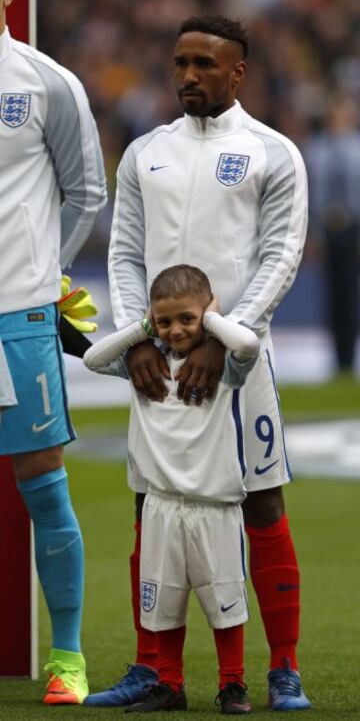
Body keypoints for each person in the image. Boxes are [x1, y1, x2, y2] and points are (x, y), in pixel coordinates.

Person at [86, 14, 311, 712]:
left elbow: (282, 254)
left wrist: (227, 333)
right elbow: (123, 253)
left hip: (239, 366)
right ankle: (158, 673)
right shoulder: (147, 152)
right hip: (160, 362)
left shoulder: (273, 152)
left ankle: (282, 668)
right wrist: (138, 341)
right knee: (151, 507)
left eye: (205, 65)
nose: (188, 75)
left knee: (261, 503)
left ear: (238, 72)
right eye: (181, 62)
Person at [84, 264, 260, 713]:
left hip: (215, 504)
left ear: (205, 314)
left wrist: (213, 318)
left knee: (224, 598)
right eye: (165, 321)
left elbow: (248, 342)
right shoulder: (144, 365)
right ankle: (169, 685)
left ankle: (233, 685)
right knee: (160, 601)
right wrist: (143, 330)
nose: (176, 329)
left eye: (187, 318)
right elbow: (92, 359)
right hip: (160, 504)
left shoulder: (223, 367)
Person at [0, 0, 107, 705]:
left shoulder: (46, 81)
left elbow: (87, 192)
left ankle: (67, 655)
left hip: (16, 313)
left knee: (42, 481)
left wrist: (46, 274)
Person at [304, 92, 360, 374]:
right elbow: (312, 195)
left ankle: (349, 357)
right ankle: (337, 358)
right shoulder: (317, 149)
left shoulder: (357, 148)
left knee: (351, 294)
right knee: (332, 295)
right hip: (328, 227)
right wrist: (314, 233)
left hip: (353, 227)